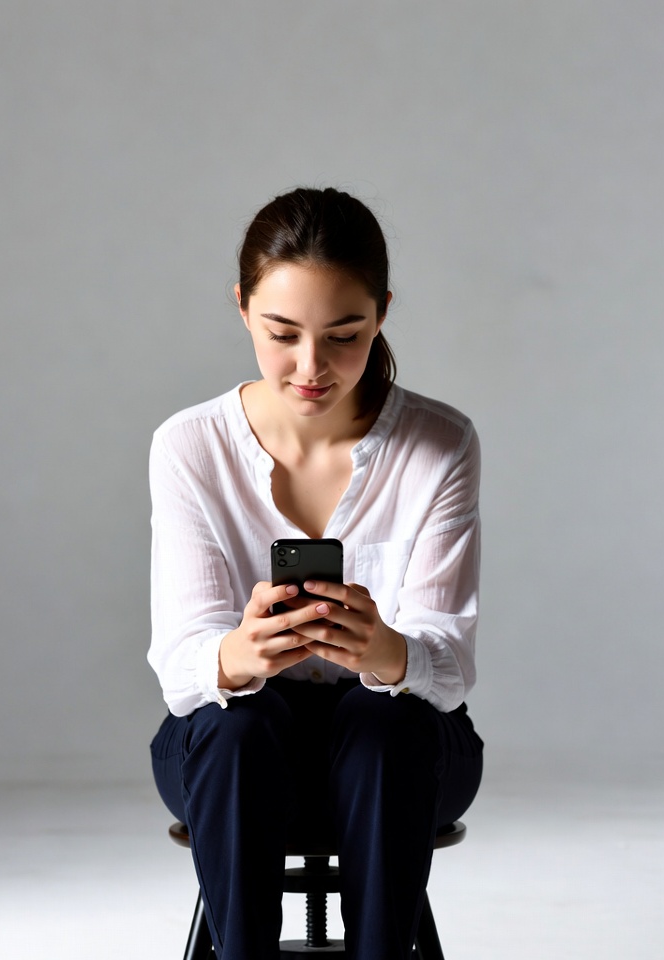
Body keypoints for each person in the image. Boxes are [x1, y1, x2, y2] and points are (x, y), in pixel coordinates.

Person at [148, 186, 483, 960]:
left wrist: (387, 653)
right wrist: (240, 655)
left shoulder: (439, 444)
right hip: (231, 745)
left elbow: (450, 662)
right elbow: (182, 667)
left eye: (344, 335)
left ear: (382, 314)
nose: (310, 367)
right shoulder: (188, 446)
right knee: (237, 732)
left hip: (402, 745)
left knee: (387, 727)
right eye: (281, 333)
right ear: (242, 309)